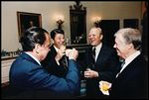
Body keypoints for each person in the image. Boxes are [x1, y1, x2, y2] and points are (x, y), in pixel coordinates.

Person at [9, 27, 80, 99]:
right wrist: (72, 59)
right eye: (48, 46)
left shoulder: (20, 61)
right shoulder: (30, 69)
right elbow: (71, 88)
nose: (49, 50)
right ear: (37, 48)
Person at [110, 28, 148, 99]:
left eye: (116, 43)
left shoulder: (141, 70)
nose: (114, 46)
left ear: (129, 46)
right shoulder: (126, 61)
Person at [84, 27, 120, 98]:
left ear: (101, 37)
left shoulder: (110, 52)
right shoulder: (87, 51)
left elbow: (113, 74)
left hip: (104, 92)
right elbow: (85, 66)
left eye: (94, 35)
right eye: (89, 35)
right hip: (90, 91)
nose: (91, 37)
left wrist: (97, 74)